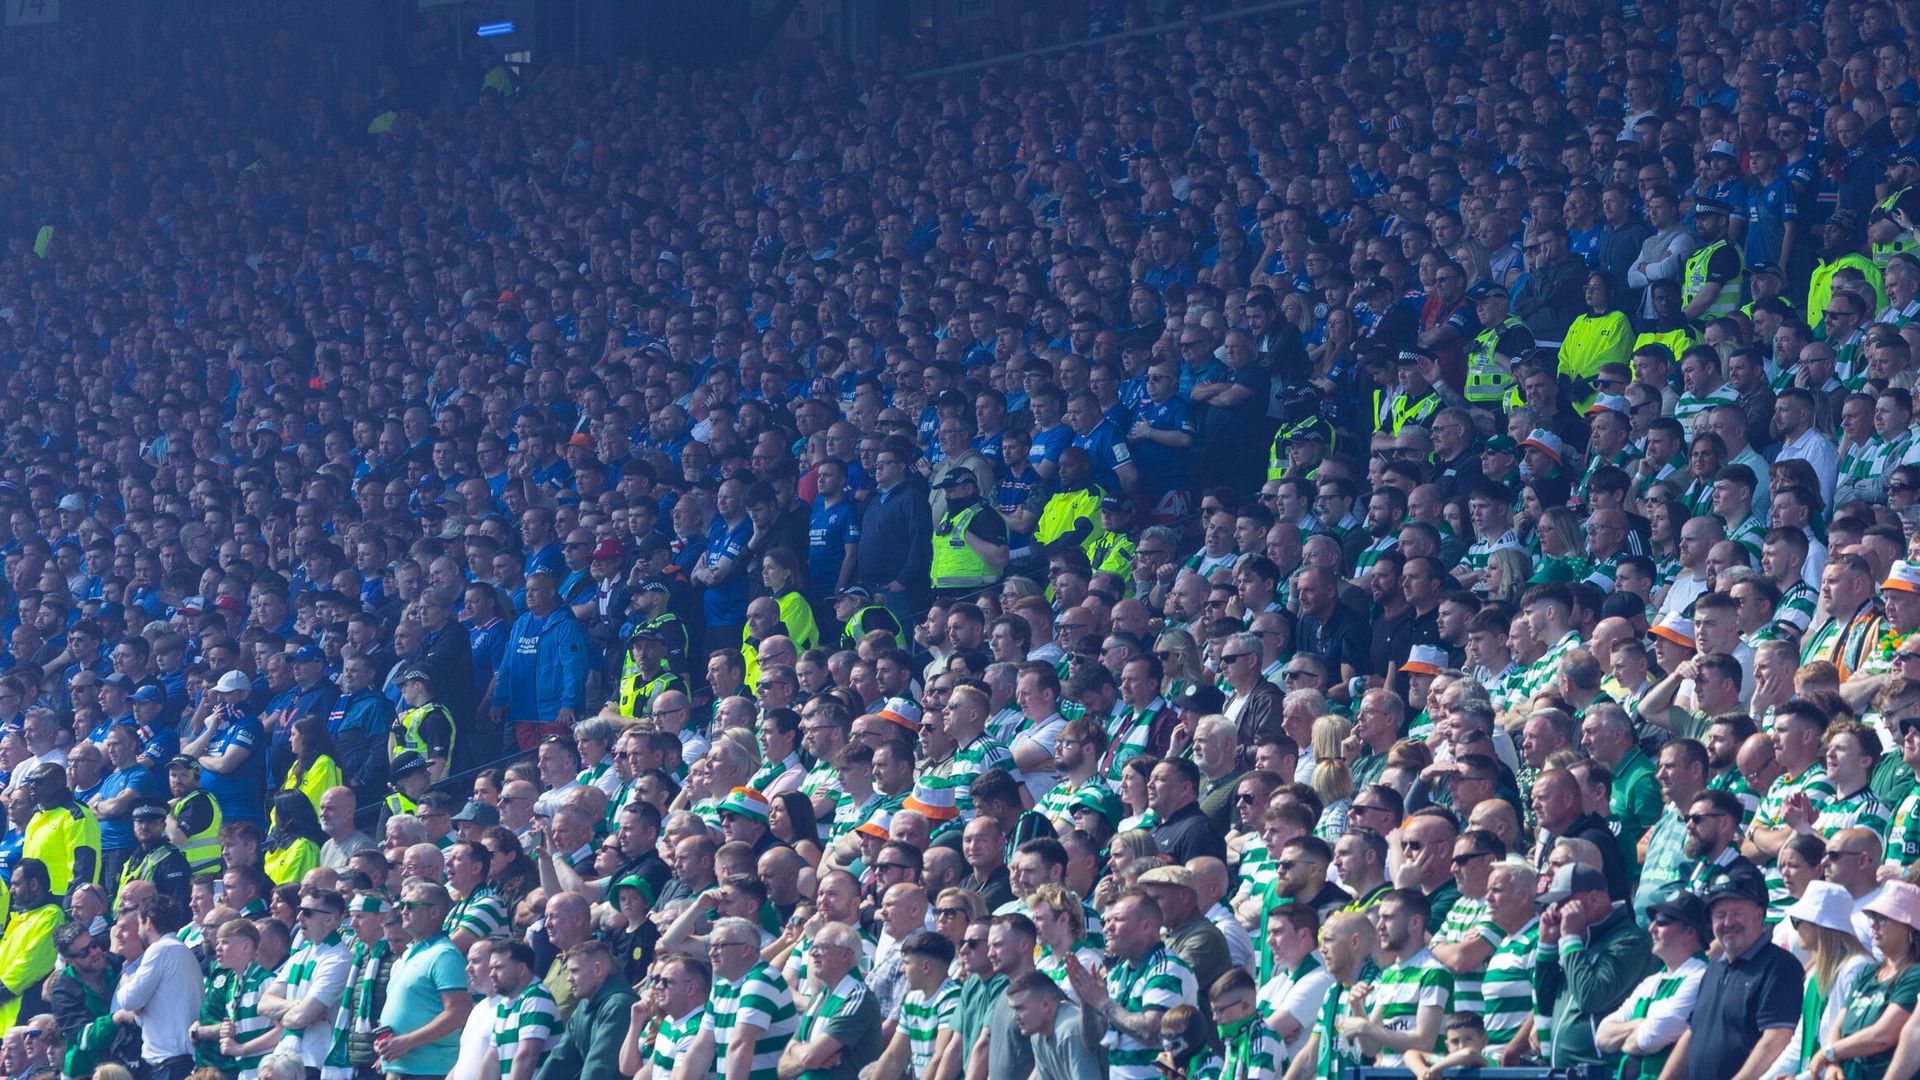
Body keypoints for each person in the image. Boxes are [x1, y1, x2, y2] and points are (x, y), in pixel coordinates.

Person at [1674, 866, 1803, 1079]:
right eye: (1720, 915)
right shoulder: (1713, 968)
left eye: (1738, 913)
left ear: (1760, 915)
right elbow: (1692, 1033)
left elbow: (1777, 1038)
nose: (1728, 923)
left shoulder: (1779, 966)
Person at [376, 882, 472, 1079]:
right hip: (399, 1068)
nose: (403, 911)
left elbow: (458, 1012)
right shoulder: (409, 953)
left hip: (431, 1071)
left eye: (410, 905)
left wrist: (407, 1041)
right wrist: (385, 1045)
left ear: (434, 911)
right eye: (401, 905)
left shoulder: (444, 954)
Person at [109, 895, 204, 1080]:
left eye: (139, 924)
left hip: (170, 1065)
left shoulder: (160, 949)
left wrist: (127, 981)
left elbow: (129, 1000)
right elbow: (142, 1013)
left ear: (148, 922)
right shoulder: (181, 950)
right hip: (177, 1062)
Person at [774, 922, 884, 1080]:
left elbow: (810, 1057)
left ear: (846, 955)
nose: (813, 953)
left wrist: (799, 1052)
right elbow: (783, 1068)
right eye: (813, 946)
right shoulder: (818, 1000)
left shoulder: (857, 998)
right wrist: (805, 1056)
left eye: (822, 947)